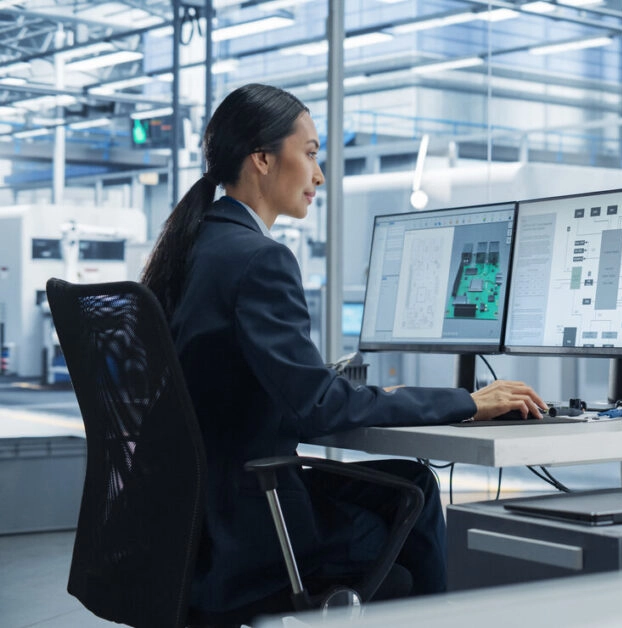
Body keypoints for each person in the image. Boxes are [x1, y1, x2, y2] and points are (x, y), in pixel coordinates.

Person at [141, 83, 545, 614]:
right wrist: (469, 401)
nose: (319, 174)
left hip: (195, 518)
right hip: (255, 527)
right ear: (262, 159)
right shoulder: (259, 259)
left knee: (413, 485)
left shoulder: (195, 249)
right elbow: (317, 409)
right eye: (309, 153)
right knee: (407, 521)